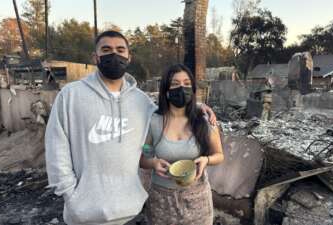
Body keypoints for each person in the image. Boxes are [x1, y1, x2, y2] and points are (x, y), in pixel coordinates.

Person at [45, 30, 216, 225]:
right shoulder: (70, 96)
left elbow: (167, 111)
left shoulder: (141, 101)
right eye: (106, 50)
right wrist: (71, 196)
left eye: (120, 50)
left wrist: (196, 106)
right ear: (95, 57)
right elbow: (56, 149)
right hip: (85, 215)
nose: (114, 55)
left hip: (130, 211)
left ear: (128, 56)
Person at [140, 64, 224, 225]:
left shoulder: (205, 121)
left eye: (186, 84)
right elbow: (144, 157)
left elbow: (219, 155)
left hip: (197, 200)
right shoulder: (154, 122)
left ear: (192, 90)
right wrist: (153, 162)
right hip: (161, 202)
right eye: (175, 84)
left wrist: (207, 160)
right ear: (166, 90)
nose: (181, 88)